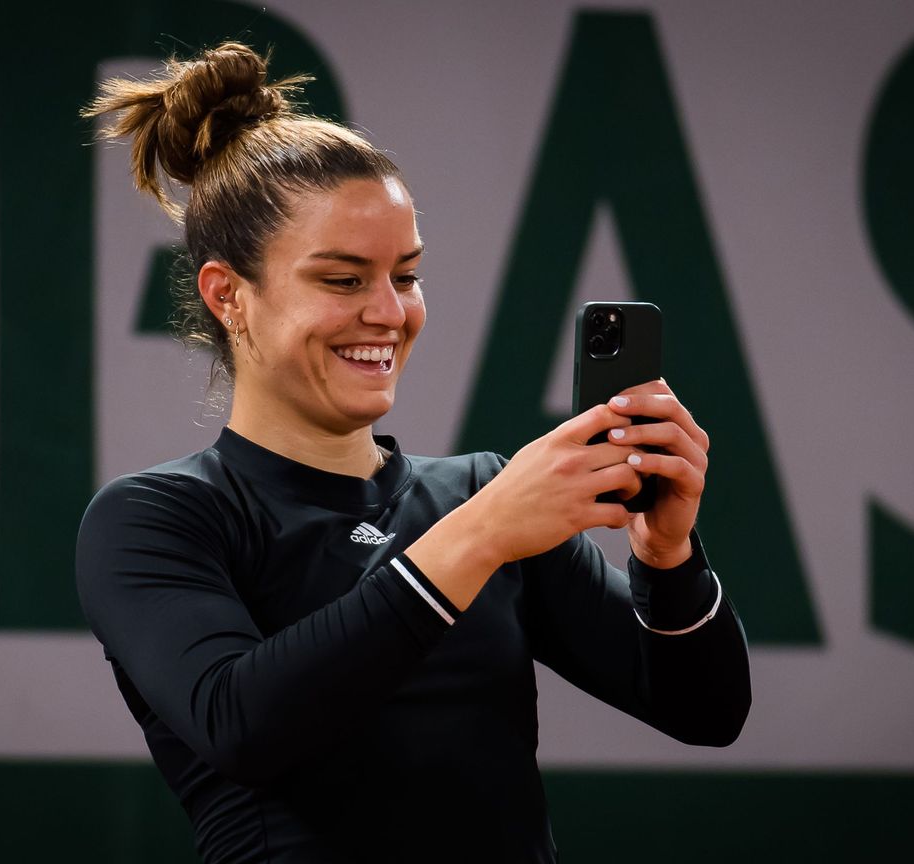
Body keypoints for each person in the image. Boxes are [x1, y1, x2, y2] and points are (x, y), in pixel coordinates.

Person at [75, 42, 750, 864]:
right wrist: (483, 536)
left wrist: (668, 556)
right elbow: (242, 724)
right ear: (229, 296)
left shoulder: (479, 492)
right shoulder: (156, 518)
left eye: (408, 274)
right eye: (343, 279)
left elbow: (706, 712)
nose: (390, 312)